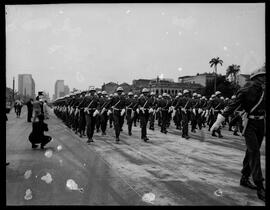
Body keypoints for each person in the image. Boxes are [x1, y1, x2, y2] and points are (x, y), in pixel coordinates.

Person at [211, 66, 266, 202]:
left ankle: (244, 178)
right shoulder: (247, 89)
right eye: (263, 76)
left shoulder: (264, 89)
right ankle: (260, 185)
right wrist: (220, 120)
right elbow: (233, 105)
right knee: (254, 152)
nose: (265, 78)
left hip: (261, 123)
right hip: (250, 124)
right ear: (256, 77)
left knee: (252, 151)